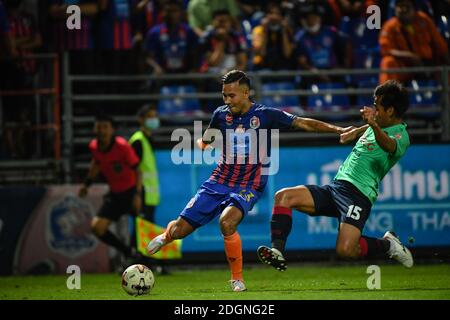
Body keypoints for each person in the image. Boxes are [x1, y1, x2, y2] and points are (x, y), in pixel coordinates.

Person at [146, 69, 353, 292]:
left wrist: (338, 130)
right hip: (219, 181)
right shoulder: (220, 115)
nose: (227, 100)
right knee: (179, 231)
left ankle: (237, 279)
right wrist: (202, 143)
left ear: (246, 93)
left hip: (249, 185)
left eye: (231, 95)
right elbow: (207, 138)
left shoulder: (265, 115)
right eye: (224, 95)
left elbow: (303, 123)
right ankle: (167, 235)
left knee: (227, 222)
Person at [256, 80, 413, 272]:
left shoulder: (401, 136)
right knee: (283, 196)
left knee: (346, 250)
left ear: (390, 111)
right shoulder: (376, 125)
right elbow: (370, 128)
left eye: (377, 107)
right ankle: (277, 252)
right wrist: (354, 132)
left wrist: (371, 124)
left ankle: (389, 245)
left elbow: (388, 145)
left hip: (359, 195)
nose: (373, 110)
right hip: (336, 188)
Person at [78, 114, 143, 264]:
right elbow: (96, 163)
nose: (102, 130)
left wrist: (138, 195)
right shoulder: (94, 146)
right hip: (115, 194)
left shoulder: (122, 146)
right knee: (97, 228)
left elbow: (137, 170)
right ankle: (129, 252)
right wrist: (86, 184)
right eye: (99, 127)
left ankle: (147, 262)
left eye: (105, 127)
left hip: (130, 192)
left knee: (139, 229)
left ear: (112, 130)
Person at [129, 105, 168, 274]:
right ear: (141, 120)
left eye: (155, 116)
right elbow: (132, 169)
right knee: (141, 231)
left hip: (150, 195)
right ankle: (136, 262)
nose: (154, 120)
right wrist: (136, 194)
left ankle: (142, 263)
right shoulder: (137, 140)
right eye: (150, 116)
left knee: (144, 230)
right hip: (142, 193)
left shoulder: (147, 139)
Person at [379, 0, 449, 84]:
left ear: (414, 8)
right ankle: (388, 95)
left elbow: (440, 45)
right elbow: (385, 49)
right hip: (405, 66)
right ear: (395, 9)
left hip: (427, 64)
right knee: (387, 62)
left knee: (445, 65)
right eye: (400, 6)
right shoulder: (389, 26)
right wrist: (409, 56)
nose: (403, 9)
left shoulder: (424, 20)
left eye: (407, 6)